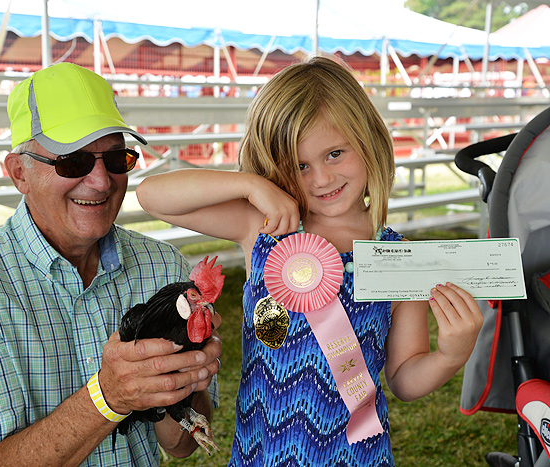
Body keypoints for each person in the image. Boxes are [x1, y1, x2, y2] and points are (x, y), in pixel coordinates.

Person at [136, 55, 483, 466]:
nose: (320, 178)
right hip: (263, 453)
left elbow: (404, 379)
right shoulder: (263, 228)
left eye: (335, 153)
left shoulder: (397, 255)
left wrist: (451, 356)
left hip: (357, 456)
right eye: (300, 165)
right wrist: (250, 185)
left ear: (369, 139)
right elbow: (152, 195)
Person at [0, 62, 221, 466]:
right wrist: (108, 396)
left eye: (116, 158)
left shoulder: (162, 266)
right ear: (18, 173)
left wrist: (177, 387)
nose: (100, 181)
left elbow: (180, 448)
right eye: (72, 162)